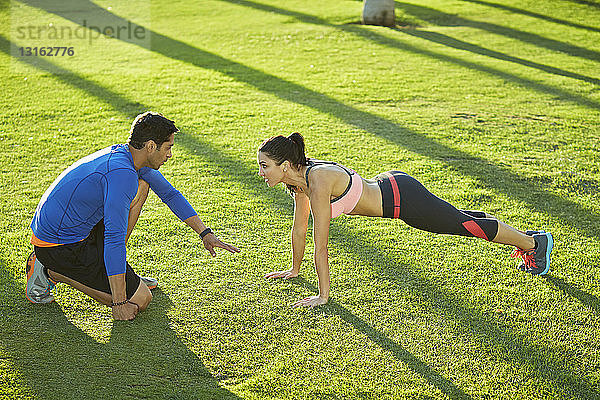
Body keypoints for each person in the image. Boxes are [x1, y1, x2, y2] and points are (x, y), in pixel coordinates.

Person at [257, 132, 553, 308]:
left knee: (464, 225)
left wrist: (323, 295)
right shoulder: (299, 183)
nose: (261, 172)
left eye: (264, 166)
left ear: (284, 165)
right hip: (393, 189)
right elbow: (299, 230)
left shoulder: (317, 182)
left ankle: (533, 243)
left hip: (402, 198)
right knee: (463, 219)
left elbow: (320, 245)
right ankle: (525, 239)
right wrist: (294, 270)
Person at [26, 112, 240, 320]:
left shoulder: (129, 158)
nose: (169, 155)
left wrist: (205, 233)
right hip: (57, 247)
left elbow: (170, 194)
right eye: (168, 148)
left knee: (142, 186)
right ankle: (49, 271)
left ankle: (116, 274)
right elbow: (114, 238)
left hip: (77, 230)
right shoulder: (122, 174)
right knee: (141, 299)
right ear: (150, 146)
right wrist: (119, 303)